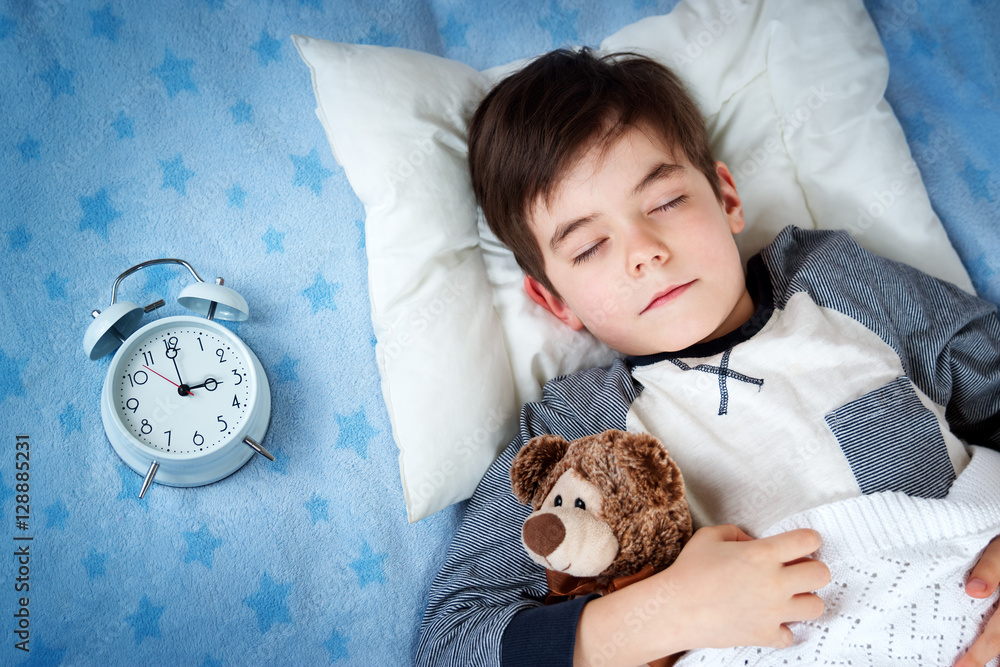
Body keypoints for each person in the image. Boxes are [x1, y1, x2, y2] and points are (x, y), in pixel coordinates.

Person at [414, 48, 1000, 667]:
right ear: (557, 302)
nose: (643, 251)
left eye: (665, 203)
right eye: (588, 247)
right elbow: (452, 642)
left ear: (726, 197)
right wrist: (671, 609)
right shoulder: (574, 428)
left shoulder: (833, 282)